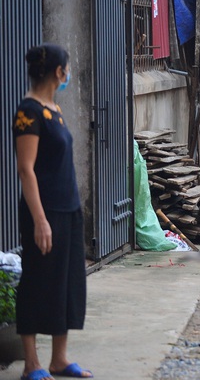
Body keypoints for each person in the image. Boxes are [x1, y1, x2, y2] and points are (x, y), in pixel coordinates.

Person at [12, 44, 93, 380]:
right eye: (68, 69)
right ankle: (32, 363)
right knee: (36, 282)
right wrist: (40, 219)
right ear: (59, 72)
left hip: (69, 209)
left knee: (68, 284)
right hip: (43, 212)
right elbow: (26, 170)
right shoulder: (28, 111)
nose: (69, 74)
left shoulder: (53, 109)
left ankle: (59, 359)